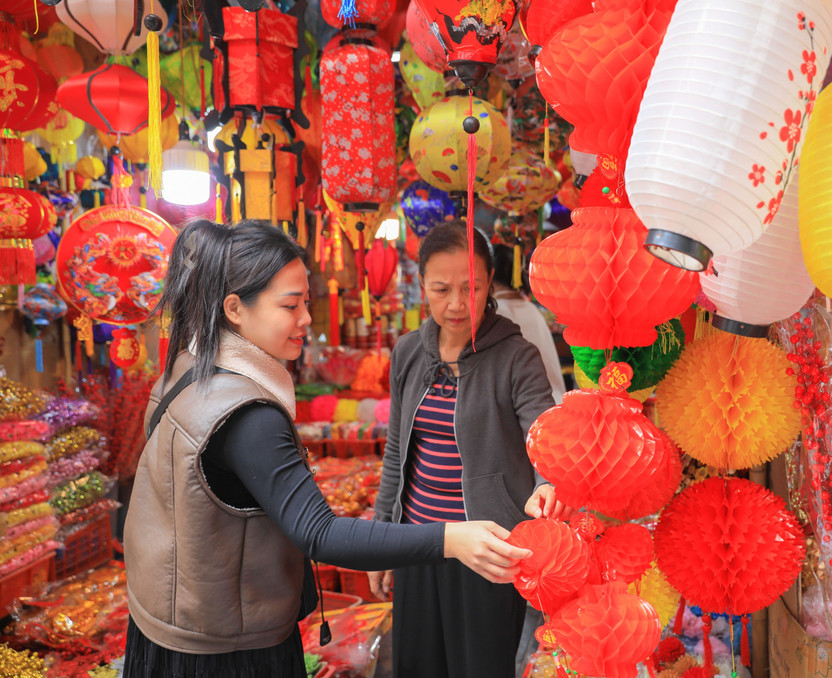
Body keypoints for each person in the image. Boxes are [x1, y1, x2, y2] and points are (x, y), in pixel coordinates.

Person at [122, 220, 532, 678]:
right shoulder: (247, 415)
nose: (306, 319)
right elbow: (319, 532)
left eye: (306, 302)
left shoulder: (186, 372)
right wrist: (451, 537)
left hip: (169, 622)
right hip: (221, 644)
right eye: (290, 305)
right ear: (234, 308)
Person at [368, 222, 574, 678]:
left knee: (480, 667)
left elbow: (545, 435)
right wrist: (382, 537)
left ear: (490, 283)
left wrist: (547, 483)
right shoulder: (408, 353)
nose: (457, 303)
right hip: (417, 541)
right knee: (417, 666)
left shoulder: (516, 357)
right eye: (441, 289)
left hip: (488, 549)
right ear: (422, 283)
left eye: (471, 287)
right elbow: (397, 451)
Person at [491, 243, 566, 404]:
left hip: (532, 407)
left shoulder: (497, 312)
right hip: (554, 402)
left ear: (489, 276)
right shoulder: (532, 310)